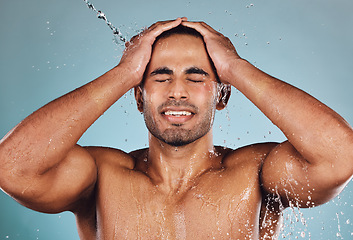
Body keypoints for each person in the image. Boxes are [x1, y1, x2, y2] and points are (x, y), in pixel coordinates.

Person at [0, 17, 352, 239]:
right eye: (160, 76)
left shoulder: (255, 173)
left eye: (196, 77)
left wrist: (234, 66)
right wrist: (123, 74)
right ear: (138, 97)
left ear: (222, 95)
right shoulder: (102, 177)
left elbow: (340, 156)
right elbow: (12, 168)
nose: (177, 91)